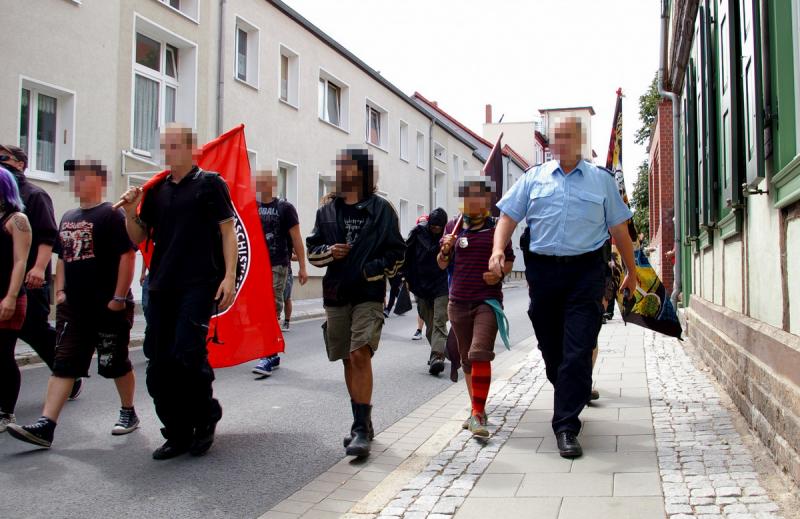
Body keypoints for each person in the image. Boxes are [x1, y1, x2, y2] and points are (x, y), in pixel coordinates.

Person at [489, 116, 637, 458]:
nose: (561, 143)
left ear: (581, 141)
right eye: (556, 137)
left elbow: (619, 228)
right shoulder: (533, 179)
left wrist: (631, 270)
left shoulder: (600, 181)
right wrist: (498, 249)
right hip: (543, 273)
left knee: (578, 348)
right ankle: (571, 386)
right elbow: (508, 216)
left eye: (568, 136)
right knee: (551, 348)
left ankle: (567, 426)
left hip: (586, 273)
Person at [118, 124, 238, 460]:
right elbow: (140, 236)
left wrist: (228, 277)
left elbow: (228, 232)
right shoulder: (157, 191)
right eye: (163, 145)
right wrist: (131, 210)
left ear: (189, 148)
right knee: (159, 361)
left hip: (199, 283)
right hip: (160, 285)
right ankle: (176, 430)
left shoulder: (210, 184)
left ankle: (204, 419)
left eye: (173, 145)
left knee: (188, 352)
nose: (166, 151)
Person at [7, 160, 138, 449]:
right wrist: (62, 291)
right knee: (63, 363)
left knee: (114, 363)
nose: (75, 182)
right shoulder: (68, 216)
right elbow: (63, 257)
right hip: (75, 308)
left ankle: (128, 411)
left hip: (107, 307)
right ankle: (46, 426)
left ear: (98, 181)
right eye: (73, 177)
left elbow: (126, 256)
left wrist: (119, 297)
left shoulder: (111, 215)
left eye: (82, 177)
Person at [307, 148, 405, 457]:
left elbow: (398, 254)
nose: (340, 172)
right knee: (348, 360)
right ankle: (361, 421)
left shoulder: (382, 210)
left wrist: (373, 269)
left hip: (369, 294)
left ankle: (361, 431)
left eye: (346, 166)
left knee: (359, 353)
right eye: (339, 167)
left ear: (361, 172)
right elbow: (312, 251)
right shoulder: (326, 212)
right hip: (336, 295)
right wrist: (328, 252)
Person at [0, 145, 82, 399]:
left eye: (4, 158)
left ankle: (68, 374)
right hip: (6, 276)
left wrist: (38, 268)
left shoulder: (34, 195)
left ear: (21, 164)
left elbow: (48, 236)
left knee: (35, 330)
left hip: (30, 278)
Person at [439, 178, 514, 438]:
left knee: (480, 352)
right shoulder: (453, 226)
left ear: (487, 200)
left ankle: (478, 413)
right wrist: (445, 249)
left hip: (487, 301)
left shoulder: (497, 228)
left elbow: (509, 262)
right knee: (467, 359)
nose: (472, 202)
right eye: (467, 197)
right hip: (458, 302)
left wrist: (498, 274)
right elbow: (441, 264)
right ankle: (475, 410)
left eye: (477, 196)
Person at [251, 169, 308, 376]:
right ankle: (272, 353)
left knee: (271, 308)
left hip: (278, 264)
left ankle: (267, 354)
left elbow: (296, 239)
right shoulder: (253, 207)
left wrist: (302, 266)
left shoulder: (285, 207)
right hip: (257, 267)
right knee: (258, 310)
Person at [0, 166, 32, 433]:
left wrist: (11, 296)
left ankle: (6, 412)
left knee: (3, 355)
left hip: (8, 297)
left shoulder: (17, 219)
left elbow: (21, 261)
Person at [404, 207, 449, 375]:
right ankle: (441, 350)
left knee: (439, 321)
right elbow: (406, 257)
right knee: (428, 322)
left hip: (441, 284)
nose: (436, 229)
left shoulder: (447, 238)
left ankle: (437, 356)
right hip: (420, 285)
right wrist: (406, 279)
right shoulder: (417, 233)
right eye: (433, 226)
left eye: (439, 226)